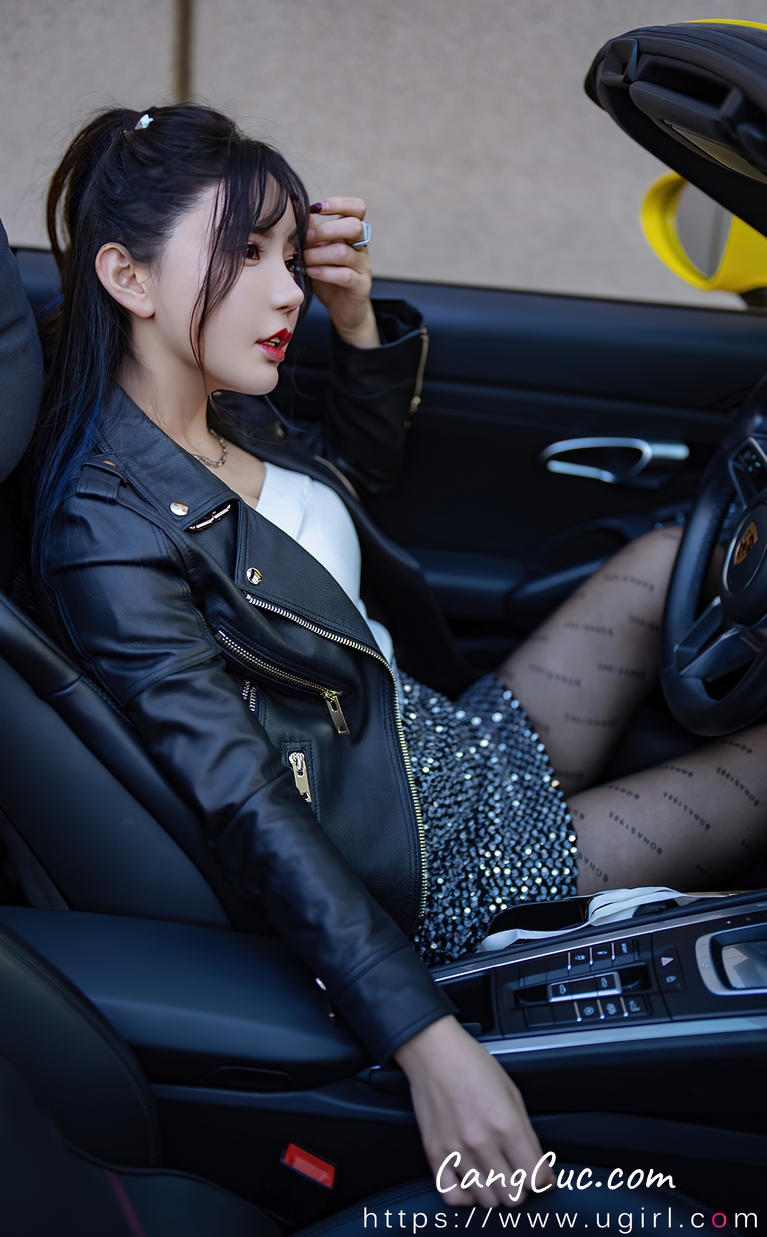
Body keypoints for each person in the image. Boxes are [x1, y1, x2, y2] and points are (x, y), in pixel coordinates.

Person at [24, 103, 767, 1208]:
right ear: (127, 278)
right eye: (245, 254)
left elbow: (339, 492)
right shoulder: (107, 531)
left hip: (439, 737)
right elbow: (241, 799)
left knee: (670, 557)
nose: (284, 290)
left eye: (287, 252)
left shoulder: (221, 408)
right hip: (437, 858)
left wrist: (355, 317)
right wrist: (425, 1034)